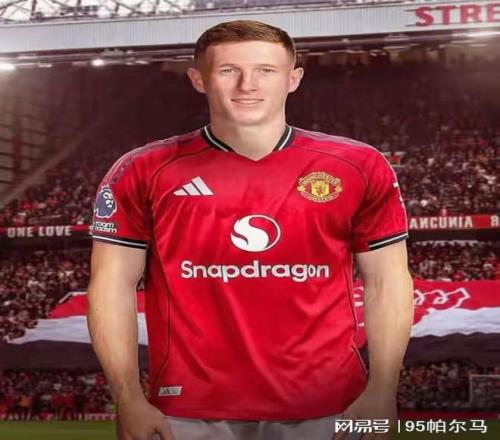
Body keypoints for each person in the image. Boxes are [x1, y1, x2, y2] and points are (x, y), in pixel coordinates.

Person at [87, 20, 414, 440]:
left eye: (266, 70)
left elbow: (387, 281)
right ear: (198, 80)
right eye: (228, 70)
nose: (247, 85)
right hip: (185, 410)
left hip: (331, 405)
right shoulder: (142, 169)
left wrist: (383, 389)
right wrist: (128, 395)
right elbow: (110, 285)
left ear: (293, 79)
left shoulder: (359, 165)